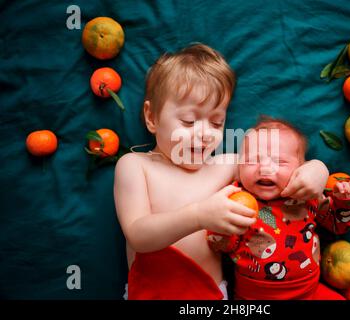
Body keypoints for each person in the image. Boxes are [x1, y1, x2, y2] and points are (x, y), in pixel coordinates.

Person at [113, 43, 330, 300]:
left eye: (217, 122)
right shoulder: (135, 165)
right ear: (152, 117)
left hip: (212, 295)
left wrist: (318, 169)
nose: (205, 133)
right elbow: (138, 235)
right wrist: (198, 216)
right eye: (189, 121)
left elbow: (275, 169)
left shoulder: (226, 164)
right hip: (150, 292)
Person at [207, 117, 350, 300]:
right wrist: (219, 223)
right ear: (239, 168)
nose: (265, 168)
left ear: (300, 169)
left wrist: (345, 200)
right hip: (254, 297)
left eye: (280, 162)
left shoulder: (305, 196)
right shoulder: (236, 199)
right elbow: (220, 245)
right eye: (252, 161)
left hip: (309, 292)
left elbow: (339, 225)